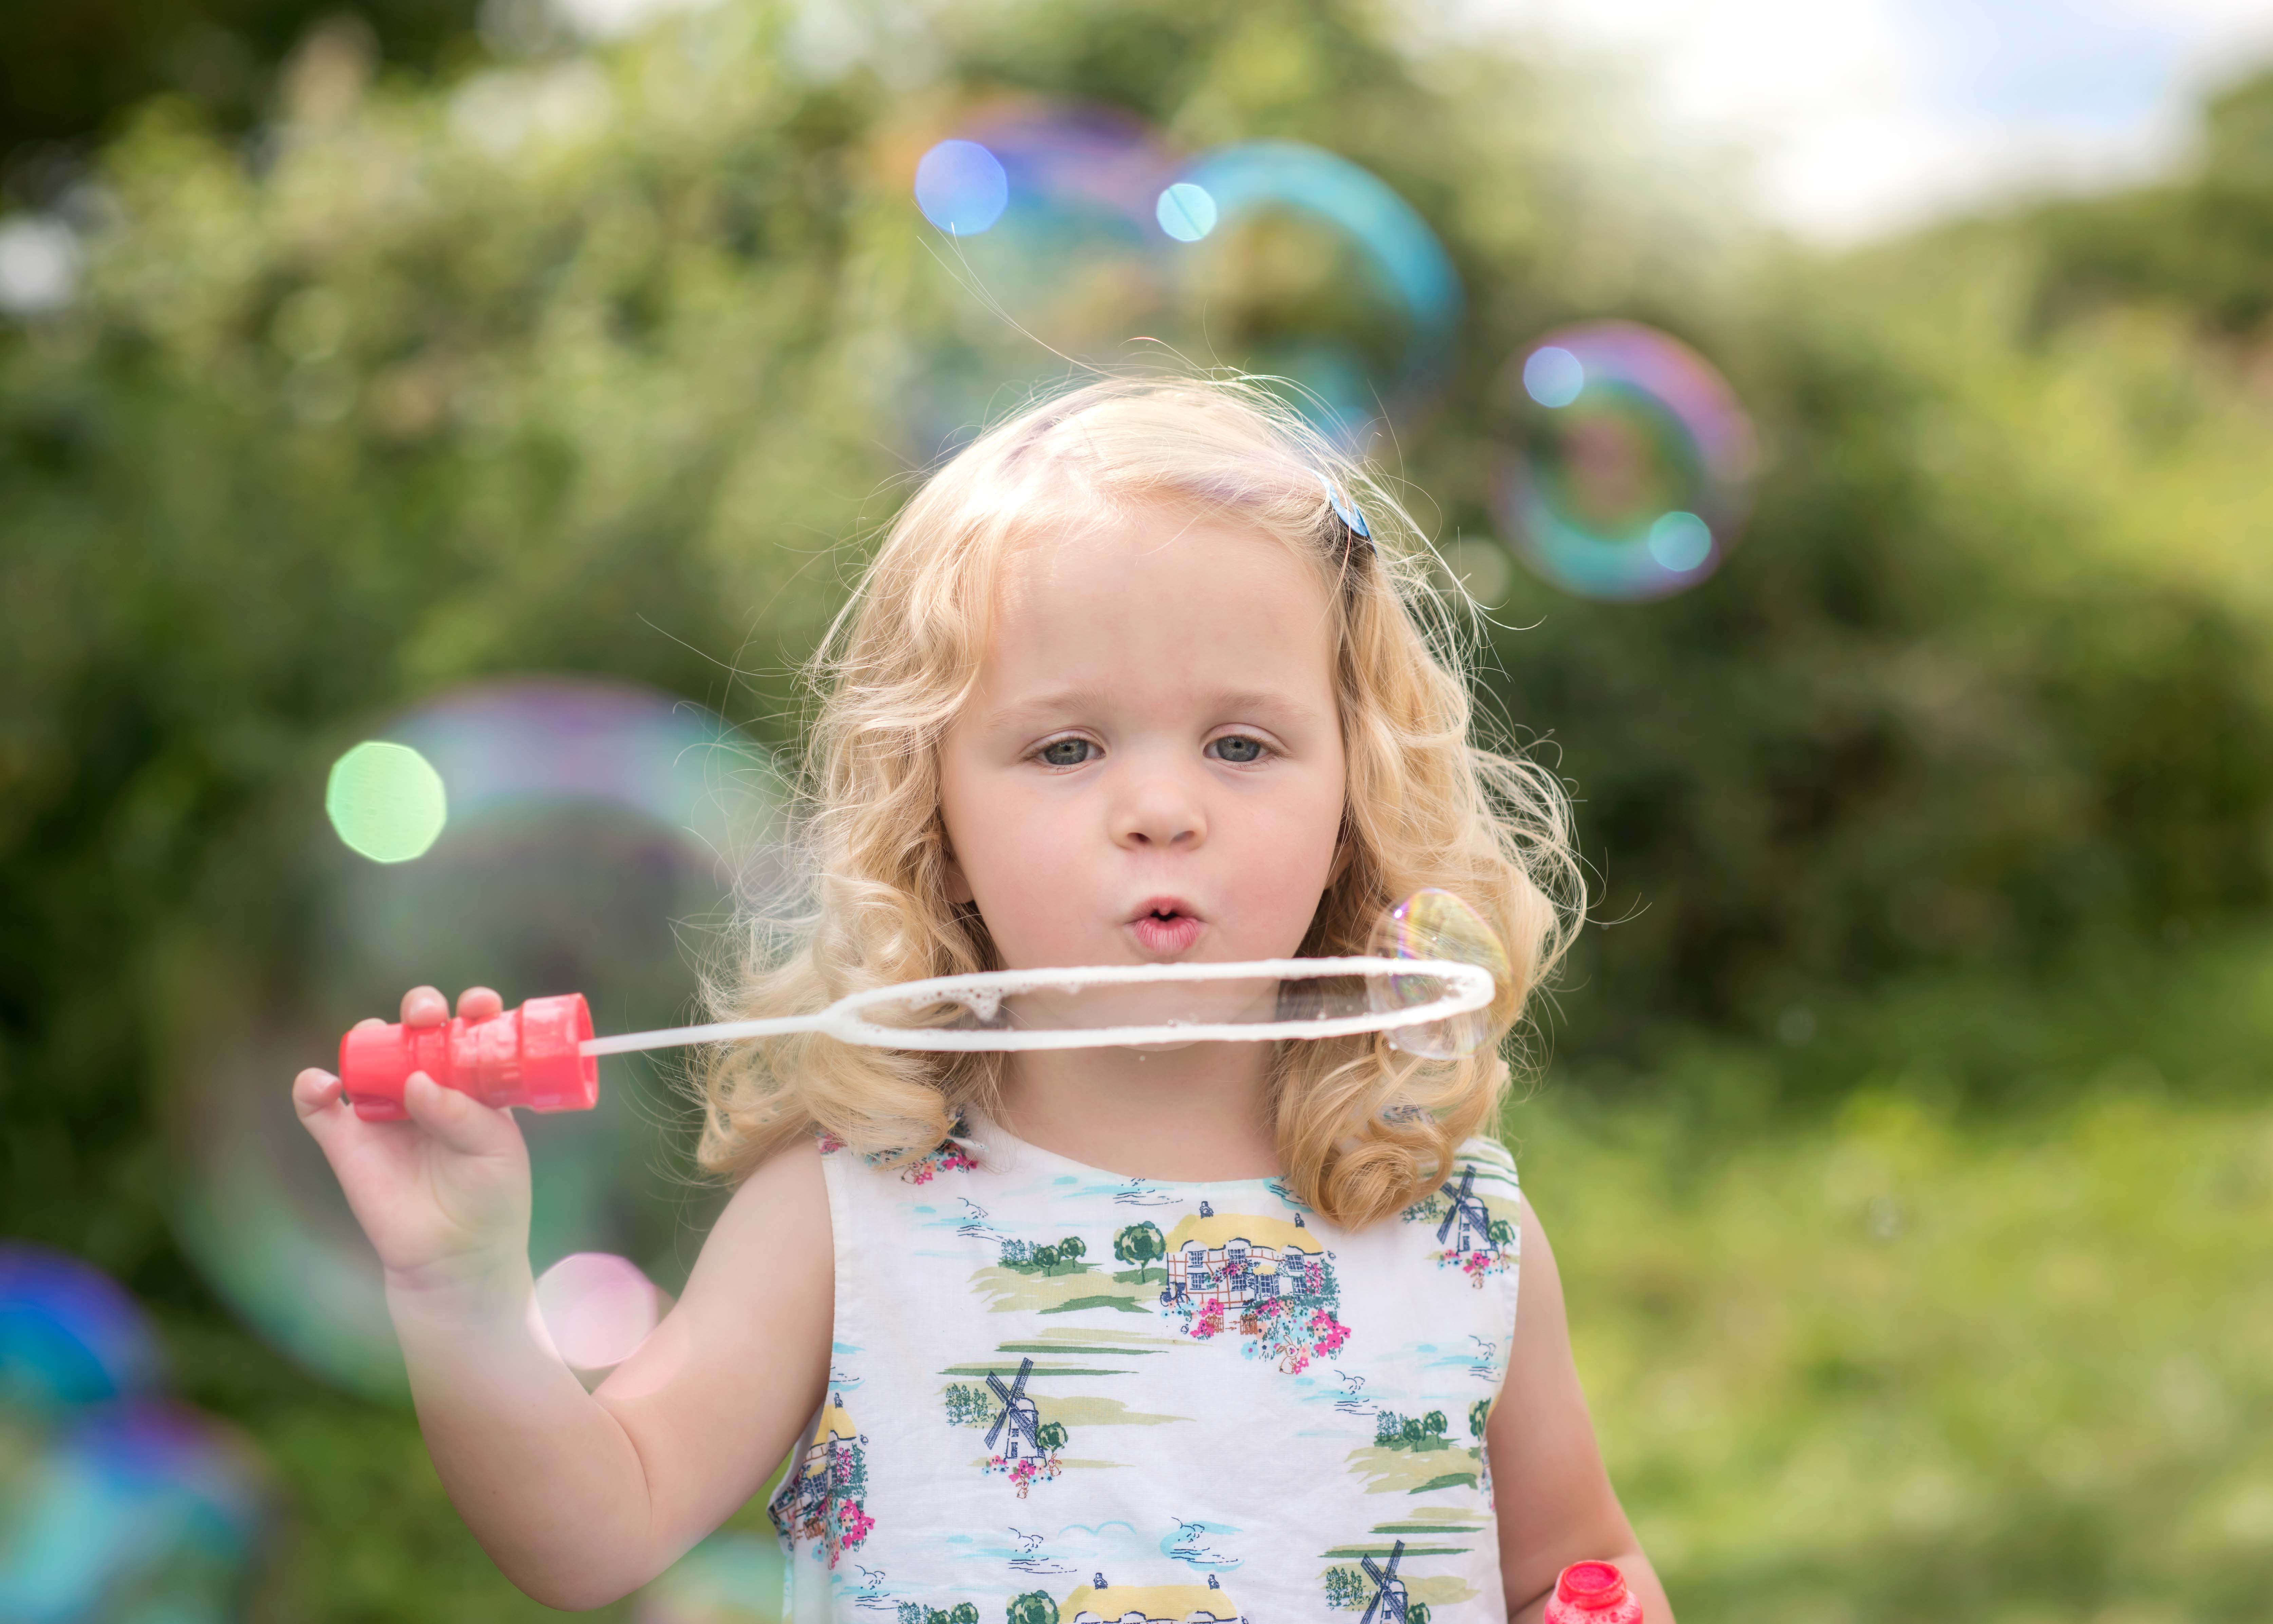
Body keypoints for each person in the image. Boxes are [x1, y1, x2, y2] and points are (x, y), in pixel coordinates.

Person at [293, 376, 1676, 1622]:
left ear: (1357, 790)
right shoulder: (851, 1215)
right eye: (1066, 746)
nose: (1158, 809)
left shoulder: (1450, 1225)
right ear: (932, 813)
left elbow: (1569, 1566)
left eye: (1242, 743)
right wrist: (463, 1287)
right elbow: (594, 1531)